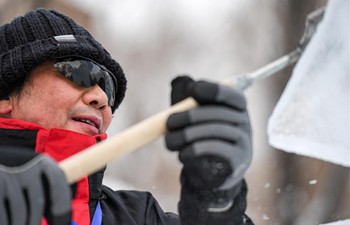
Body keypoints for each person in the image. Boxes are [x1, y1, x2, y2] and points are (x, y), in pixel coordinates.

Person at [0, 8, 254, 225]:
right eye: (78, 72)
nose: (100, 98)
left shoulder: (139, 216)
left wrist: (218, 206)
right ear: (5, 96)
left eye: (108, 87)